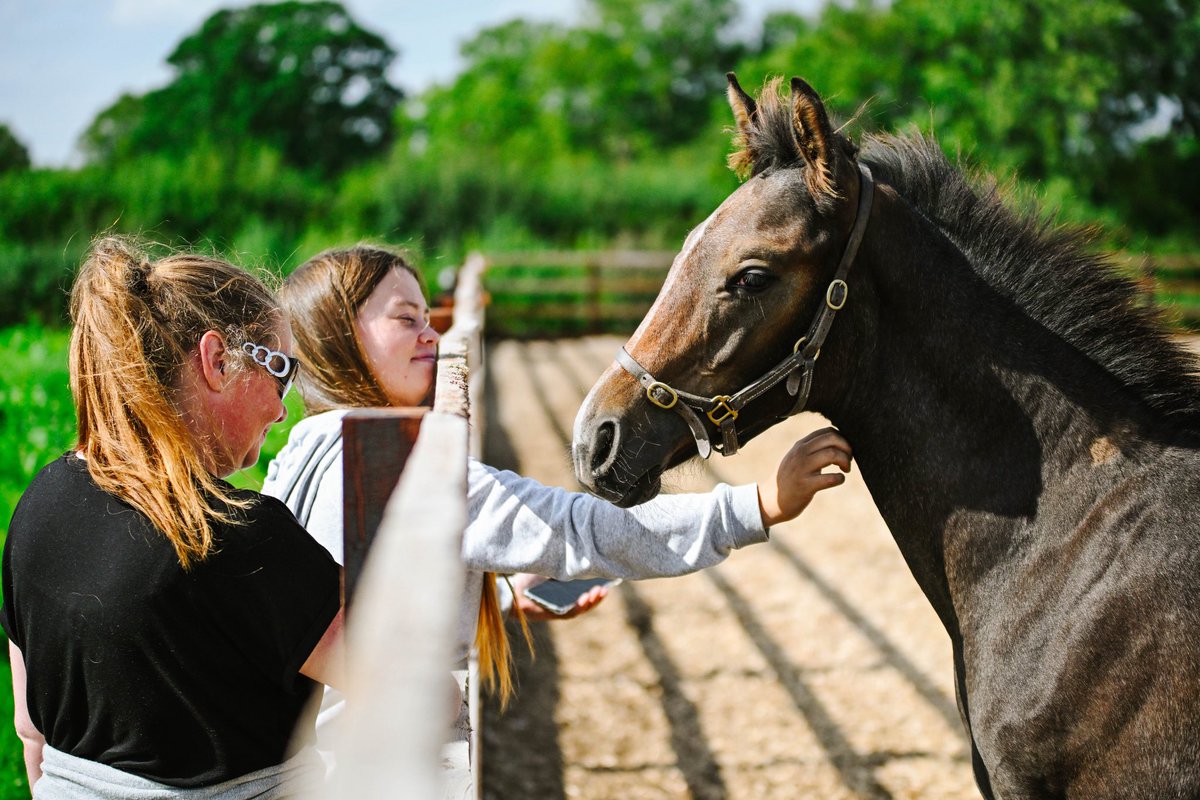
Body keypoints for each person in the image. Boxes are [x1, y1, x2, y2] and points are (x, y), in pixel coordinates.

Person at [261, 245, 853, 747]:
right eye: (405, 319)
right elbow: (581, 531)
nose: (431, 334)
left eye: (427, 317)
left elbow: (367, 588)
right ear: (340, 337)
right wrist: (759, 504)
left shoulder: (303, 453)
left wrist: (501, 595)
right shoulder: (406, 467)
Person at [1, 237, 343, 796]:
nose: (283, 409)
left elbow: (30, 732)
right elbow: (413, 684)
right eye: (281, 371)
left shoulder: (38, 505)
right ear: (216, 361)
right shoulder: (235, 535)